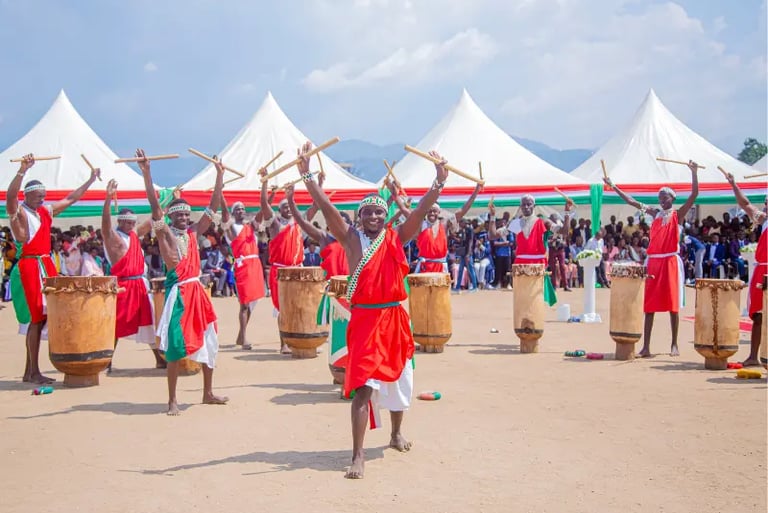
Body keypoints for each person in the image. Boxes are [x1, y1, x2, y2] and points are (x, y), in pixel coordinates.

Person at [298, 141, 448, 479]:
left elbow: (421, 211)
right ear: (360, 217)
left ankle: (395, 433)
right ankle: (358, 455)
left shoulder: (397, 236)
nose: (375, 216)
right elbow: (325, 208)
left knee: (400, 379)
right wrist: (307, 175)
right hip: (365, 319)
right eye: (368, 212)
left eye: (380, 212)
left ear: (385, 216)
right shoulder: (349, 238)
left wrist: (438, 182)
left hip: (394, 317)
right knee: (363, 387)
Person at [137, 149, 228, 415]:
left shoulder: (193, 232)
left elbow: (211, 209)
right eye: (180, 215)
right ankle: (172, 400)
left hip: (197, 292)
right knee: (176, 347)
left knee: (210, 339)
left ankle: (208, 392)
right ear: (171, 217)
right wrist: (147, 173)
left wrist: (219, 176)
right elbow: (155, 208)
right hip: (178, 295)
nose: (185, 218)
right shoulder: (163, 232)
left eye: (187, 215)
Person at [6, 154, 100, 384]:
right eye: (37, 197)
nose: (41, 200)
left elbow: (70, 198)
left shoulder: (45, 212)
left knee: (45, 316)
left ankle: (31, 371)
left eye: (43, 197)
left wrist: (90, 180)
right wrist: (22, 171)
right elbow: (10, 196)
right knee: (36, 318)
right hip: (29, 265)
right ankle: (32, 371)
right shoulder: (19, 212)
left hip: (45, 264)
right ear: (27, 195)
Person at [604, 161, 699, 357]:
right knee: (650, 306)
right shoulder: (654, 213)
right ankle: (646, 346)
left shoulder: (677, 215)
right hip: (654, 261)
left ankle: (674, 344)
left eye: (665, 198)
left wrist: (694, 173)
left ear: (672, 199)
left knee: (673, 305)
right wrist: (613, 186)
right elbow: (631, 201)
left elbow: (694, 195)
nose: (662, 201)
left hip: (670, 261)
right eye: (660, 198)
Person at [101, 179, 164, 372]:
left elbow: (155, 218)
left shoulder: (134, 234)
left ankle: (159, 359)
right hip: (123, 286)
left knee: (149, 322)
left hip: (140, 286)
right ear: (119, 221)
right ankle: (107, 361)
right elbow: (105, 225)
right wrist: (108, 199)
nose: (130, 225)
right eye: (126, 222)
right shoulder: (113, 237)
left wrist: (165, 202)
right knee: (116, 325)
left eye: (132, 223)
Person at [488, 194, 573, 302]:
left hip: (538, 263)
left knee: (536, 297)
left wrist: (567, 213)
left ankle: (535, 318)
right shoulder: (516, 223)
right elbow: (492, 235)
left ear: (534, 205)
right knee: (522, 298)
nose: (526, 207)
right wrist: (492, 216)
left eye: (529, 204)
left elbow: (564, 231)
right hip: (521, 263)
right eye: (524, 205)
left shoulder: (543, 221)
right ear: (520, 207)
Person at [389, 181, 481, 274]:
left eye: (434, 211)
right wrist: (395, 195)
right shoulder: (420, 224)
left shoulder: (445, 223)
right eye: (430, 211)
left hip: (441, 268)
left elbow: (462, 211)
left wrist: (476, 191)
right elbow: (404, 210)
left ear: (439, 212)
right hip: (424, 268)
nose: (432, 213)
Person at [724, 171, 766, 366]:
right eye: (766, 203)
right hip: (761, 271)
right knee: (758, 314)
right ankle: (753, 356)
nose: (766, 206)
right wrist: (733, 184)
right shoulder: (763, 220)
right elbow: (745, 203)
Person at [261, 169, 304, 354]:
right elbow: (263, 205)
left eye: (290, 206)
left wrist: (317, 182)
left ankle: (299, 340)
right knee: (283, 309)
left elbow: (317, 206)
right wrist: (265, 183)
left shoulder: (299, 223)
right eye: (284, 206)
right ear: (279, 211)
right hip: (281, 272)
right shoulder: (275, 225)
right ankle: (283, 343)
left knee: (300, 306)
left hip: (298, 270)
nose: (288, 209)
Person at [219, 193, 267, 350]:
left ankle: (241, 335)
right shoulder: (231, 228)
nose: (241, 211)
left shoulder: (250, 227)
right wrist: (220, 194)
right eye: (237, 209)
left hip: (255, 266)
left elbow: (262, 211)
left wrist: (269, 195)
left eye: (243, 209)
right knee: (244, 304)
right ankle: (244, 337)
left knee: (252, 302)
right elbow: (224, 212)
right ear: (233, 213)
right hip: (242, 266)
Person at [285, 183, 351, 279]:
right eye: (336, 224)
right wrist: (290, 201)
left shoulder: (355, 239)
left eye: (342, 225)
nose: (339, 228)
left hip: (352, 287)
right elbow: (302, 221)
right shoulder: (325, 238)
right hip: (330, 288)